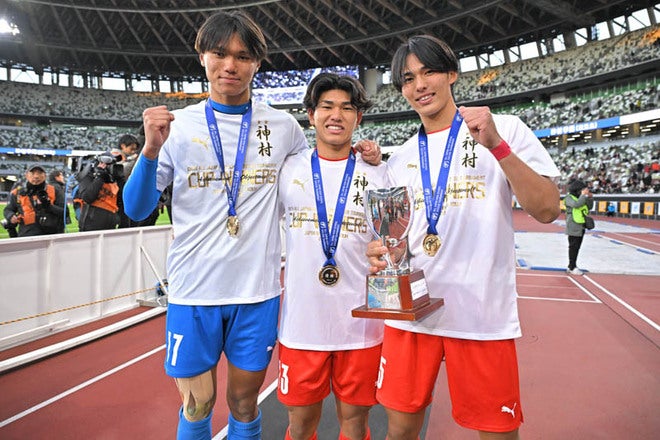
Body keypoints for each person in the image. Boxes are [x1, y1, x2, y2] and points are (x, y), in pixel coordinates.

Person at [122, 11, 380, 440]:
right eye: (219, 53)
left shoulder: (282, 127)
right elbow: (136, 208)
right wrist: (149, 151)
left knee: (244, 404)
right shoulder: (177, 127)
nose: (230, 65)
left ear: (257, 63)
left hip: (257, 294)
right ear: (202, 57)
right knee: (197, 404)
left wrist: (366, 154)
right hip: (193, 291)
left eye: (242, 56)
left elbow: (322, 167)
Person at [365, 35, 560, 440]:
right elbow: (394, 236)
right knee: (399, 431)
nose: (420, 85)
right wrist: (381, 251)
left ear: (452, 74)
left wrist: (497, 146)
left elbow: (546, 209)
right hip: (412, 315)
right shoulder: (401, 158)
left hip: (480, 316)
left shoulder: (504, 128)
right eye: (408, 79)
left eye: (429, 72)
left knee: (496, 432)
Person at [277, 73, 388, 440]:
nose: (336, 115)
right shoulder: (288, 169)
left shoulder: (378, 173)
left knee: (355, 426)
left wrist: (385, 252)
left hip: (360, 327)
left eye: (347, 107)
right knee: (300, 426)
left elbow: (393, 242)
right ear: (311, 115)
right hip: (302, 326)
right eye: (327, 106)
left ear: (359, 117)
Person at [3, 163, 66, 237]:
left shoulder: (55, 190)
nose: (36, 176)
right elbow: (8, 209)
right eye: (32, 173)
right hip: (26, 235)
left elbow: (65, 212)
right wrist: (11, 216)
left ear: (45, 176)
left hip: (51, 236)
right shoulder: (17, 193)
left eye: (39, 173)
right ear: (27, 175)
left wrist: (48, 206)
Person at [77, 151, 123, 231]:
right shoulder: (89, 176)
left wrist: (120, 180)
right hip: (90, 227)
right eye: (106, 164)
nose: (109, 167)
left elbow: (122, 202)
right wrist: (99, 177)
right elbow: (87, 198)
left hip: (110, 226)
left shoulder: (113, 181)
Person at [564, 179, 593, 276]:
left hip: (581, 225)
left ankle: (571, 265)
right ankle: (572, 267)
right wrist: (583, 195)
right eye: (583, 189)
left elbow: (589, 207)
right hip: (573, 225)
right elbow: (576, 205)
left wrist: (590, 198)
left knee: (577, 247)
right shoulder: (569, 198)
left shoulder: (582, 197)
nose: (584, 191)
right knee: (573, 247)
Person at [48, 168, 71, 233]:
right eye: (61, 175)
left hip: (50, 219)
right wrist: (65, 213)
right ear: (57, 177)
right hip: (57, 219)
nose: (63, 177)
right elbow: (62, 204)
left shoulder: (49, 186)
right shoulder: (57, 187)